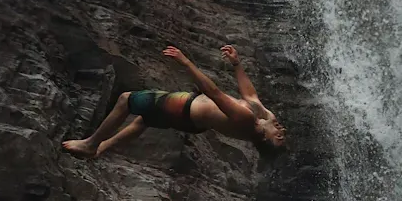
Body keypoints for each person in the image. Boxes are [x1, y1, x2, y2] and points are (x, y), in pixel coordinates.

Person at [61, 45, 287, 160]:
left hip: (184, 109)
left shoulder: (247, 121)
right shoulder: (264, 117)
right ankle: (102, 148)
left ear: (263, 137)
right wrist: (237, 65)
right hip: (193, 120)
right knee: (143, 121)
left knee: (125, 99)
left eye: (278, 136)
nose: (281, 130)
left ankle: (91, 144)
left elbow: (214, 92)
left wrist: (185, 61)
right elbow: (250, 96)